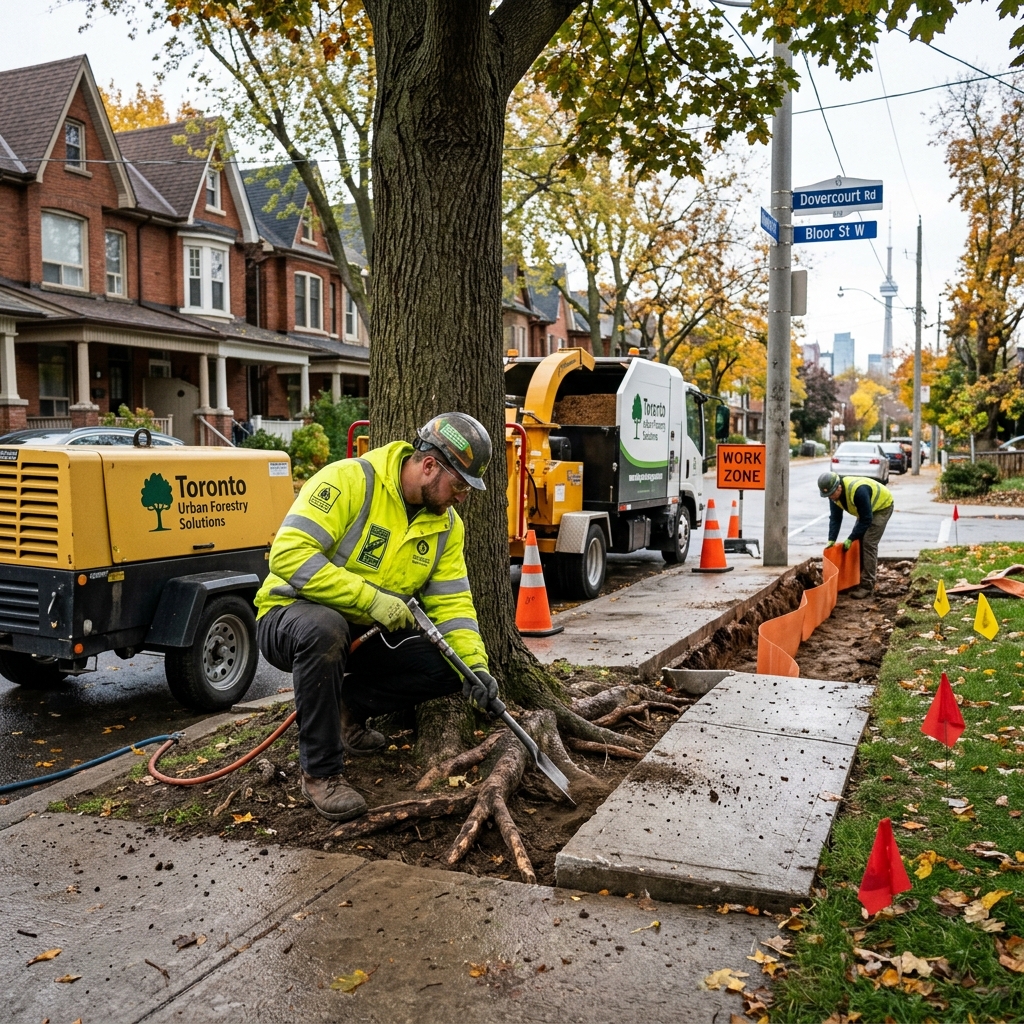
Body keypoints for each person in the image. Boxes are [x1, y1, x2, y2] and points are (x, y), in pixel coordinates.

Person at [254, 412, 499, 822]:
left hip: (363, 634)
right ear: (428, 465)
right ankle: (320, 773)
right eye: (459, 485)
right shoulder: (349, 480)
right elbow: (289, 554)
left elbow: (453, 605)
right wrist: (372, 601)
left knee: (447, 666)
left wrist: (475, 667)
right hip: (290, 614)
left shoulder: (447, 527)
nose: (462, 498)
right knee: (325, 630)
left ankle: (346, 710)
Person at [817, 471, 894, 600]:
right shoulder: (833, 495)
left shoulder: (858, 491)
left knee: (868, 543)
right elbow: (835, 517)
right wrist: (832, 539)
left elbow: (866, 519)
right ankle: (855, 579)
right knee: (857, 542)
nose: (830, 498)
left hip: (882, 508)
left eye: (831, 494)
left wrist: (851, 538)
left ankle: (867, 585)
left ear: (839, 487)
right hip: (866, 511)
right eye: (827, 495)